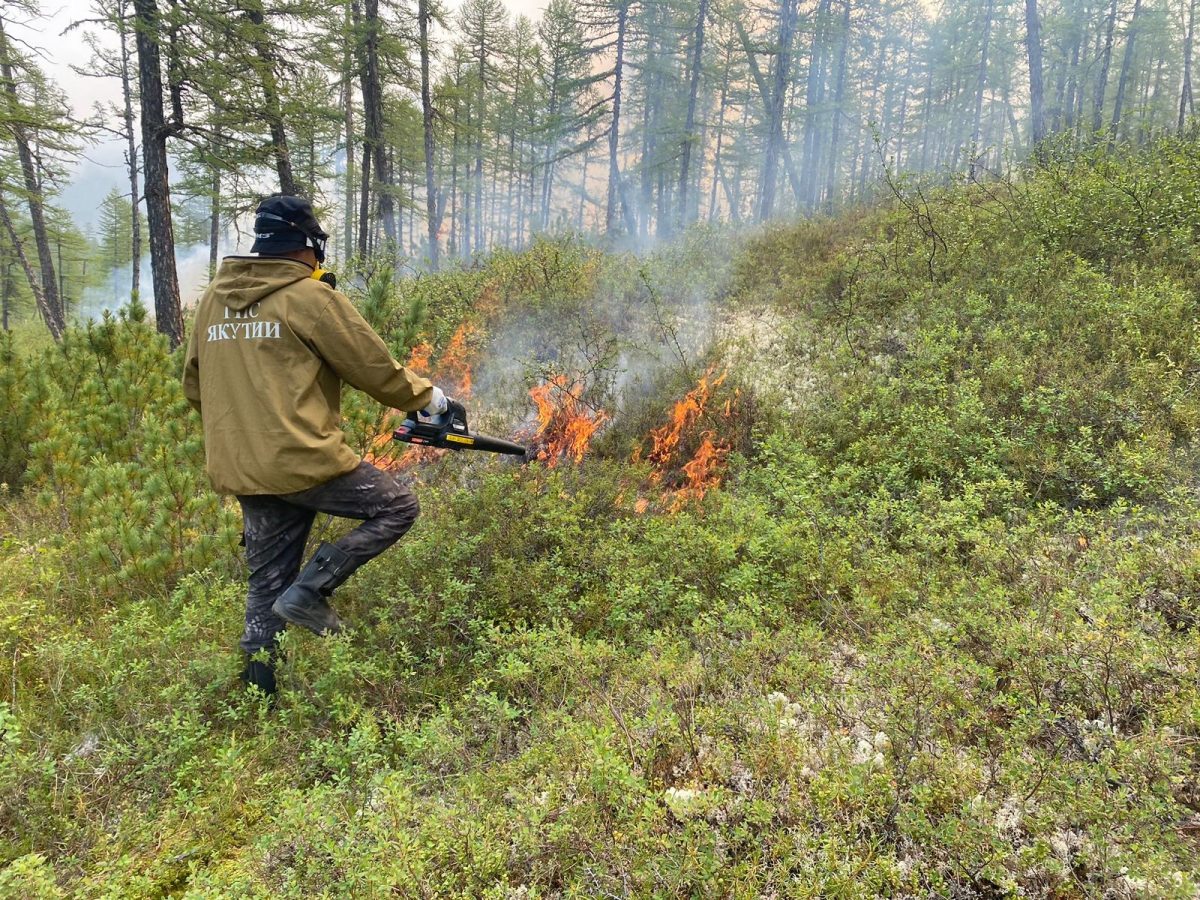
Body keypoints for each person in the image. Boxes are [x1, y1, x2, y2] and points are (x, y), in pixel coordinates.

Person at [182, 194, 448, 698]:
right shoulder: (309, 298)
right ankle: (310, 591)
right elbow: (374, 369)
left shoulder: (213, 300)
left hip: (243, 467)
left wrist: (245, 436)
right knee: (397, 506)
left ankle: (258, 700)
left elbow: (194, 386)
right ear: (307, 246)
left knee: (265, 585)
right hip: (303, 462)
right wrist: (428, 397)